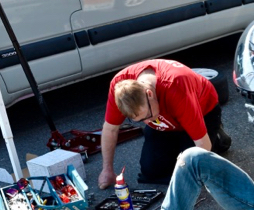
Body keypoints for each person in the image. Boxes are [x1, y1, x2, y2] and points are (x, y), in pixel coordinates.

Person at [97, 59, 231, 190]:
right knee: (151, 171)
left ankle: (216, 136)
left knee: (195, 172)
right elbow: (110, 129)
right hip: (167, 122)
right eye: (140, 120)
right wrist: (107, 169)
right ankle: (178, 146)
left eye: (147, 116)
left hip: (203, 112)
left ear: (149, 94)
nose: (147, 122)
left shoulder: (176, 86)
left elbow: (202, 144)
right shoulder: (121, 89)